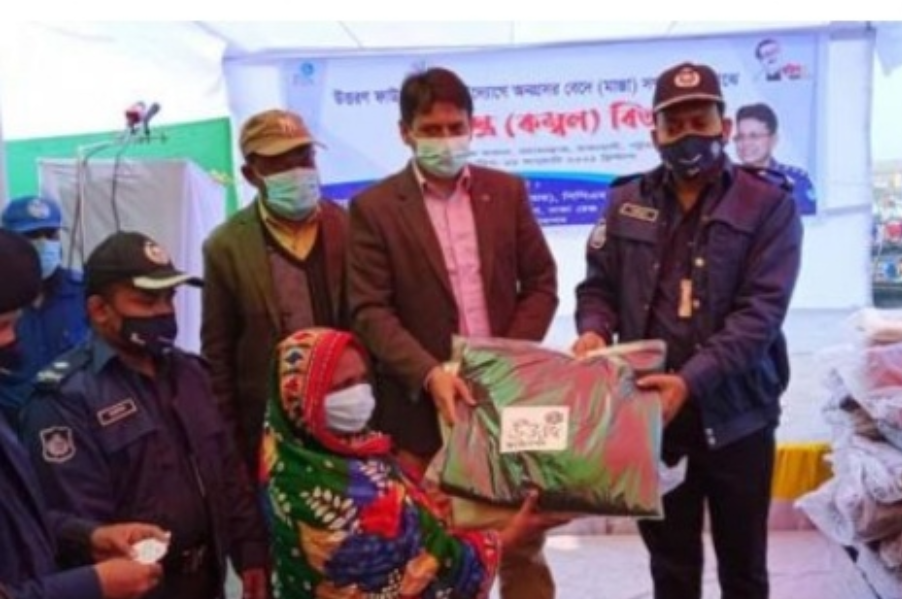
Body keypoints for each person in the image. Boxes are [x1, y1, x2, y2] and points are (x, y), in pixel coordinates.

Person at [572, 61, 803, 599]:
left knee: (744, 571)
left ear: (725, 126)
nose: (687, 136)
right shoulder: (625, 202)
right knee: (671, 570)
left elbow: (760, 315)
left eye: (700, 121)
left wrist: (690, 381)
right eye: (673, 126)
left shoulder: (769, 205)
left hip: (738, 417)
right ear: (654, 133)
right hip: (652, 419)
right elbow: (598, 287)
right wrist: (594, 331)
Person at [349, 66, 559, 599]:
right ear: (405, 133)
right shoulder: (374, 209)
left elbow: (541, 283)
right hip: (422, 417)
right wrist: (428, 374)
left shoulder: (506, 192)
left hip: (503, 406)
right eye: (431, 130)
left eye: (455, 127)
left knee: (522, 547)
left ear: (472, 126)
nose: (446, 140)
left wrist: (506, 359)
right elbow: (370, 310)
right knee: (433, 555)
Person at [21, 231, 269, 599]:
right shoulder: (66, 399)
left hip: (208, 580)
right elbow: (68, 522)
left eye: (170, 297)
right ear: (100, 310)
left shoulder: (192, 374)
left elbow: (226, 467)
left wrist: (250, 549)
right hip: (132, 587)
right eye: (147, 300)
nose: (164, 311)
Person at [262, 327, 568, 598]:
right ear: (300, 400)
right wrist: (508, 539)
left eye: (362, 379)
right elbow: (434, 568)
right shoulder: (346, 493)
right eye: (342, 386)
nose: (358, 393)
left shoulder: (289, 457)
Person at [0, 229, 164, 599]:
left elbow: (19, 520)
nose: (11, 340)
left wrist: (89, 537)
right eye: (2, 326)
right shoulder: (64, 395)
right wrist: (94, 584)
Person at [202, 108, 351, 478]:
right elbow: (218, 356)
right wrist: (234, 453)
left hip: (350, 413)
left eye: (304, 158)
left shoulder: (349, 227)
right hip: (275, 434)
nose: (297, 171)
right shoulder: (226, 247)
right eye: (280, 164)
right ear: (251, 174)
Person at [0, 196, 90, 425]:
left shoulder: (85, 292)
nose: (43, 244)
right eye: (31, 236)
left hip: (77, 423)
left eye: (51, 234)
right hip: (13, 428)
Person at [734, 103, 817, 215]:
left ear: (773, 140)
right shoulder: (726, 182)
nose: (745, 143)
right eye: (740, 137)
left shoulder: (796, 182)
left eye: (754, 136)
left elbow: (808, 223)